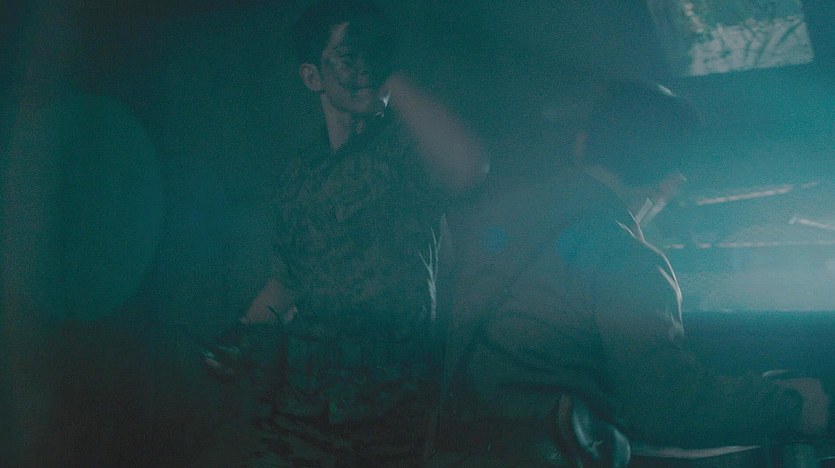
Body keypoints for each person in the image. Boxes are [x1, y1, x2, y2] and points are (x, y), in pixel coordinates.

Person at [425, 80, 831, 467]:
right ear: (669, 183)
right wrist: (793, 406)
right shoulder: (628, 258)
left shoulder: (484, 217)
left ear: (582, 144)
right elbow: (671, 407)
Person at [201, 0, 488, 466]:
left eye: (373, 52)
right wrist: (241, 337)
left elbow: (468, 166)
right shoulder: (302, 173)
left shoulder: (407, 152)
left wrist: (390, 77)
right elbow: (287, 280)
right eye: (349, 56)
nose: (364, 67)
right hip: (301, 416)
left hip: (387, 423)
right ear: (313, 76)